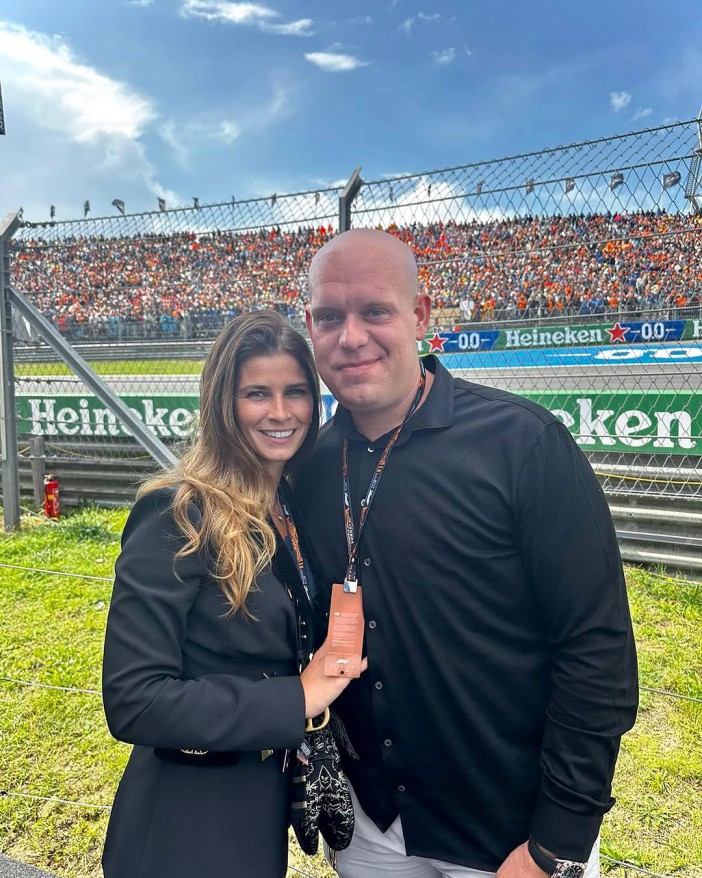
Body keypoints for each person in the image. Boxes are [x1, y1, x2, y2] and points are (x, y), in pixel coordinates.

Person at [296, 229, 639, 878]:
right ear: (310, 324)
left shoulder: (524, 444)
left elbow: (597, 650)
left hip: (508, 837)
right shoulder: (306, 465)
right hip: (372, 827)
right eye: (330, 317)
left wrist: (557, 845)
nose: (351, 336)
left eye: (376, 311)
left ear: (421, 315)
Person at [102, 311, 358, 878]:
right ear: (224, 403)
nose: (280, 412)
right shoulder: (179, 514)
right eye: (256, 394)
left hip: (258, 804)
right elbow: (134, 700)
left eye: (296, 392)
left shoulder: (288, 506)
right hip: (186, 815)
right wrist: (297, 699)